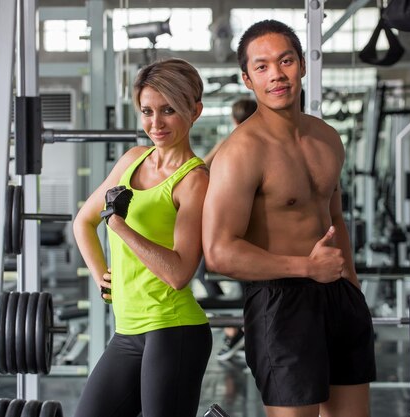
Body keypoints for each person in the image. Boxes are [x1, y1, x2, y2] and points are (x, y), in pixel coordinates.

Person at [202, 20, 376, 417]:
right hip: (280, 302)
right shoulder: (241, 153)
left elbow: (335, 218)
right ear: (247, 79)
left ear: (301, 64)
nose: (276, 75)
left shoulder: (328, 138)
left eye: (285, 61)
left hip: (338, 297)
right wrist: (307, 268)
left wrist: (352, 287)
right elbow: (218, 252)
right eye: (261, 67)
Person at [72, 58, 212, 417]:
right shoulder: (133, 159)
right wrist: (101, 274)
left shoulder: (193, 180)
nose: (156, 123)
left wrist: (120, 227)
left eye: (169, 110)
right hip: (128, 330)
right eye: (147, 111)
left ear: (194, 111)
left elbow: (179, 273)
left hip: (174, 330)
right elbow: (83, 222)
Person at [198, 97, 257, 362]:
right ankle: (239, 328)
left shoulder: (231, 143)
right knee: (247, 280)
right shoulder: (261, 143)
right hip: (249, 225)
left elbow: (200, 168)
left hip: (233, 223)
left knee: (201, 271)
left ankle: (236, 329)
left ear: (234, 120)